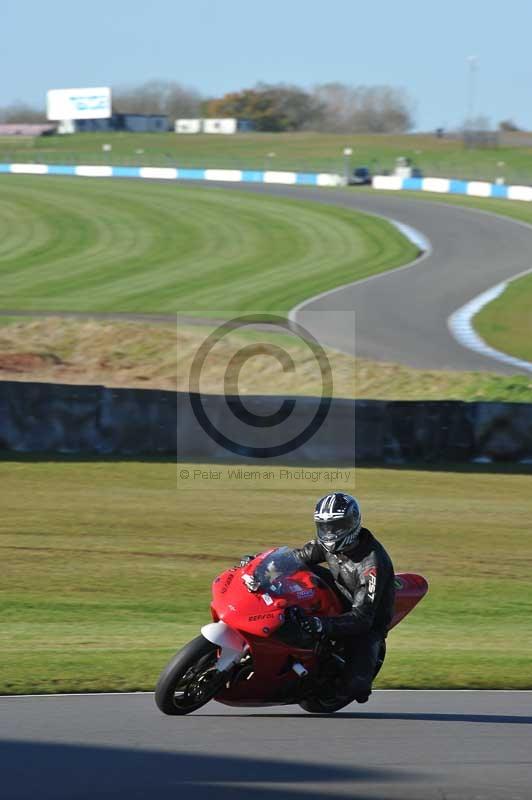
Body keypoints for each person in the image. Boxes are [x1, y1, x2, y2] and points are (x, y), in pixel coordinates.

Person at [291, 491, 395, 703]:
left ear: (352, 523)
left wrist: (321, 624)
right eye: (325, 526)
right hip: (340, 592)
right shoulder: (328, 544)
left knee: (356, 688)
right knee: (299, 575)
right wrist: (263, 565)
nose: (330, 532)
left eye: (336, 526)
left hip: (366, 619)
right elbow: (298, 558)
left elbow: (363, 618)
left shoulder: (371, 564)